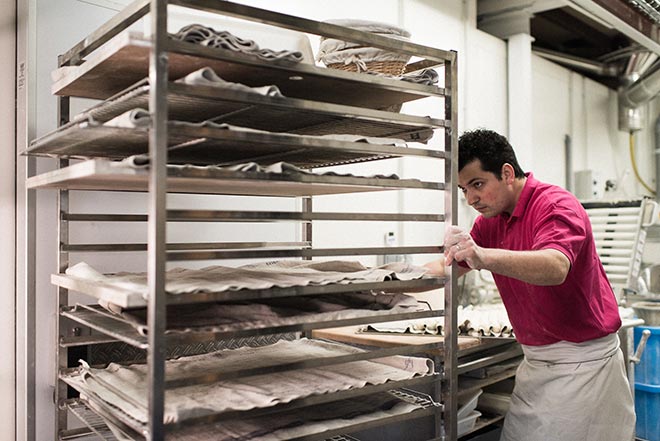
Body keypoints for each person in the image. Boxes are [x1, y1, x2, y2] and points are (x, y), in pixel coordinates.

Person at [426, 128, 635, 441]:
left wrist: (482, 256)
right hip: (536, 364)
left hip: (583, 367)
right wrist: (376, 284)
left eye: (477, 185)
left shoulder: (555, 205)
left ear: (507, 173)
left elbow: (555, 266)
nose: (470, 199)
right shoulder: (490, 220)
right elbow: (445, 268)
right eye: (463, 189)